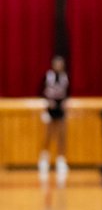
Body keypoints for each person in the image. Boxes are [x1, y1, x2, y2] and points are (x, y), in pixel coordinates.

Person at [39, 55, 69, 184]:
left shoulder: (65, 77)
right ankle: (44, 159)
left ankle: (60, 160)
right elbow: (40, 91)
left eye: (60, 63)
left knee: (62, 135)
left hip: (60, 109)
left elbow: (68, 92)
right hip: (50, 109)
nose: (58, 66)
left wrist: (65, 103)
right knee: (48, 134)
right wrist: (47, 102)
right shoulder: (48, 76)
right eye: (56, 63)